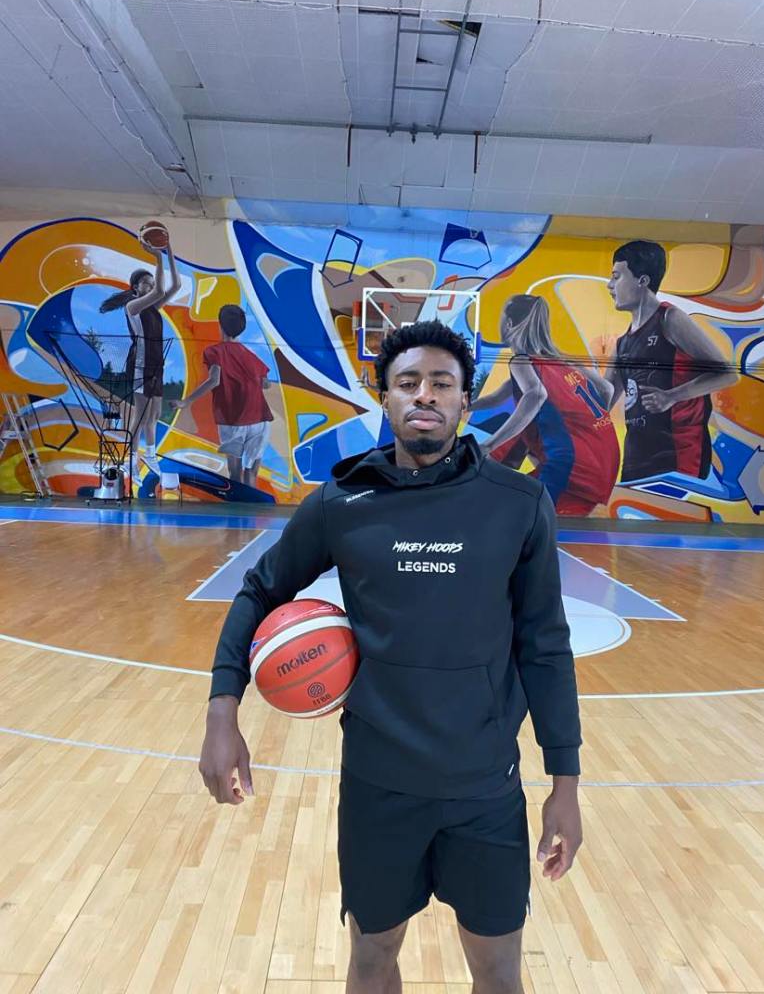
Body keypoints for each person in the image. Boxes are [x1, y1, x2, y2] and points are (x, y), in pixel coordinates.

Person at [199, 320, 582, 994]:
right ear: (387, 399)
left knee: (499, 971)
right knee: (372, 957)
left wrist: (566, 784)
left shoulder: (518, 504)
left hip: (485, 786)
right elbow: (259, 590)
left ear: (464, 401)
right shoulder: (344, 503)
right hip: (378, 785)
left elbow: (545, 644)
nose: (424, 394)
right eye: (408, 382)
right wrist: (221, 712)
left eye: (441, 383)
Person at [472, 294, 619, 516]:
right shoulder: (560, 359)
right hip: (605, 462)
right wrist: (465, 406)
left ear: (509, 324)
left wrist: (488, 445)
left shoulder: (521, 361)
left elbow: (535, 395)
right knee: (539, 520)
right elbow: (606, 388)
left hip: (571, 467)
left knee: (502, 513)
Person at [605, 240, 738, 483]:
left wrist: (671, 396)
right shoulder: (622, 342)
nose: (609, 285)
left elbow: (727, 373)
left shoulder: (670, 319)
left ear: (642, 280)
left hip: (679, 455)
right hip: (636, 455)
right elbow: (602, 400)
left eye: (616, 277)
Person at [99, 239, 181, 474]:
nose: (151, 286)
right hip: (141, 365)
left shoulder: (154, 308)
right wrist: (157, 257)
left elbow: (175, 285)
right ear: (136, 288)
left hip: (156, 365)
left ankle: (150, 455)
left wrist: (168, 249)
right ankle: (131, 460)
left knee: (154, 415)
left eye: (152, 283)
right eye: (146, 283)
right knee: (140, 415)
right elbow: (161, 291)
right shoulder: (133, 307)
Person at [171, 304, 273, 487]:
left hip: (233, 421)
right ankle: (251, 505)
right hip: (260, 419)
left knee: (235, 473)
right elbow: (266, 383)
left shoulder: (214, 352)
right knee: (251, 473)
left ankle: (237, 505)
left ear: (220, 325)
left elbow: (214, 380)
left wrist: (186, 402)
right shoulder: (250, 355)